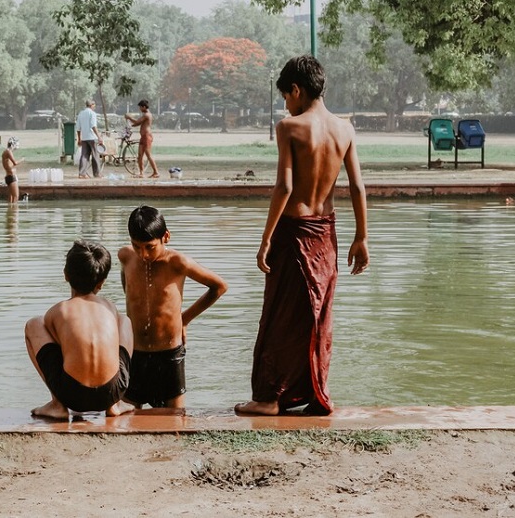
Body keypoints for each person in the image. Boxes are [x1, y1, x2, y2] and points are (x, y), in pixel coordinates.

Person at [235, 55, 369, 417]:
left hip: (293, 231)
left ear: (297, 89)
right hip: (326, 233)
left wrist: (265, 238)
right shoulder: (345, 129)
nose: (286, 104)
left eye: (286, 96)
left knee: (280, 315)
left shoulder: (289, 127)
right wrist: (362, 237)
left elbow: (284, 186)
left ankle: (268, 398)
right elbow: (357, 186)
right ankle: (315, 393)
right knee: (318, 315)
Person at [118, 205, 227, 409]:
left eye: (150, 247)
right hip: (135, 352)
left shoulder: (177, 262)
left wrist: (184, 320)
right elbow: (128, 289)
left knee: (175, 419)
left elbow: (219, 287)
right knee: (126, 416)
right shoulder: (125, 256)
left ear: (165, 237)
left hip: (169, 354)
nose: (143, 255)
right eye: (137, 246)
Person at [25, 240, 134, 419]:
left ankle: (57, 405)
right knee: (125, 321)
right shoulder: (109, 307)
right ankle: (115, 405)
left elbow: (60, 349)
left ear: (66, 275)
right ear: (102, 283)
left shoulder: (59, 310)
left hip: (71, 395)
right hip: (111, 392)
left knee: (34, 324)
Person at [124, 100, 160, 178]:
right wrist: (130, 125)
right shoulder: (145, 115)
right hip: (143, 137)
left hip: (147, 136)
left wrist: (129, 117)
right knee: (140, 155)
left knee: (148, 155)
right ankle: (141, 173)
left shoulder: (147, 115)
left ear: (144, 107)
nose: (140, 109)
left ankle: (156, 172)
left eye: (140, 107)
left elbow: (137, 122)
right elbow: (137, 123)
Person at [76, 99, 104, 178]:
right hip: (92, 137)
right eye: (94, 105)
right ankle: (97, 173)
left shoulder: (81, 114)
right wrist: (99, 137)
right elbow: (93, 126)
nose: (94, 107)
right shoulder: (92, 113)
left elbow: (78, 128)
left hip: (84, 138)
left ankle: (82, 174)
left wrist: (79, 139)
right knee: (95, 155)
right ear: (92, 105)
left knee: (84, 156)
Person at [1, 136, 23, 203]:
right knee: (16, 197)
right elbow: (15, 163)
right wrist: (22, 159)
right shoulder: (8, 151)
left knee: (10, 198)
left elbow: (9, 165)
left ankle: (10, 212)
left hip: (8, 177)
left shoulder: (5, 152)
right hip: (12, 177)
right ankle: (14, 212)